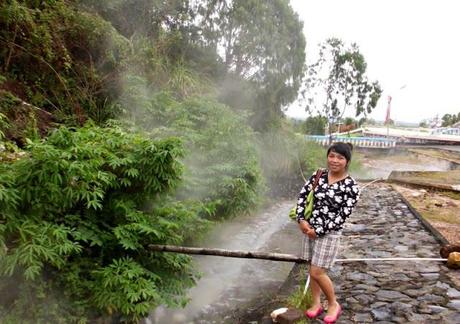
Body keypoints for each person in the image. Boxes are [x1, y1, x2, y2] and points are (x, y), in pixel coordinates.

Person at [296, 142, 360, 323]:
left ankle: (333, 304)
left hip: (328, 234)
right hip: (308, 230)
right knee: (312, 267)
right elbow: (303, 197)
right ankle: (316, 303)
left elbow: (342, 216)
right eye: (332, 156)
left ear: (347, 161)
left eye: (340, 157)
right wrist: (301, 220)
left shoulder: (351, 187)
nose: (334, 160)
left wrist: (319, 230)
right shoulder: (318, 175)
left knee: (317, 271)